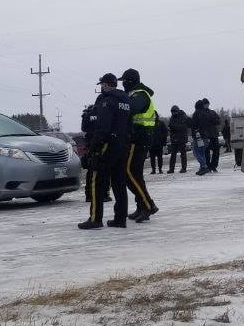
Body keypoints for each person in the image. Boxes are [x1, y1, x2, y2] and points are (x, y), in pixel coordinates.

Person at [79, 73, 131, 229]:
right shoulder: (125, 101)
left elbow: (102, 127)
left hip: (107, 145)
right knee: (119, 182)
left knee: (96, 180)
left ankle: (95, 219)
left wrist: (94, 147)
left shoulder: (106, 101)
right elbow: (129, 124)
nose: (101, 87)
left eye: (102, 84)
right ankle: (120, 219)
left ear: (107, 84)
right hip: (123, 144)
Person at [120, 68, 159, 222]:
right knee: (135, 174)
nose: (122, 84)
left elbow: (131, 109)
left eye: (124, 81)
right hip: (137, 137)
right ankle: (142, 205)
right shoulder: (134, 94)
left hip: (140, 138)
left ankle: (148, 205)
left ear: (130, 81)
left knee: (128, 172)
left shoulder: (140, 95)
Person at [80, 103, 111, 205]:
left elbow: (84, 129)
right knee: (105, 171)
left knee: (91, 171)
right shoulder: (104, 113)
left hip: (91, 145)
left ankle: (89, 195)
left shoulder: (87, 115)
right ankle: (105, 194)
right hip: (103, 144)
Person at [167, 105, 190, 173]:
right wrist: (170, 128)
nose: (173, 113)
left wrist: (173, 127)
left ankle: (184, 168)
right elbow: (171, 125)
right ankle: (171, 169)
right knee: (173, 155)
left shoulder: (183, 117)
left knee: (183, 154)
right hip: (174, 138)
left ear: (177, 111)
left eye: (174, 112)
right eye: (172, 112)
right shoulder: (172, 118)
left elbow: (184, 127)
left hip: (181, 138)